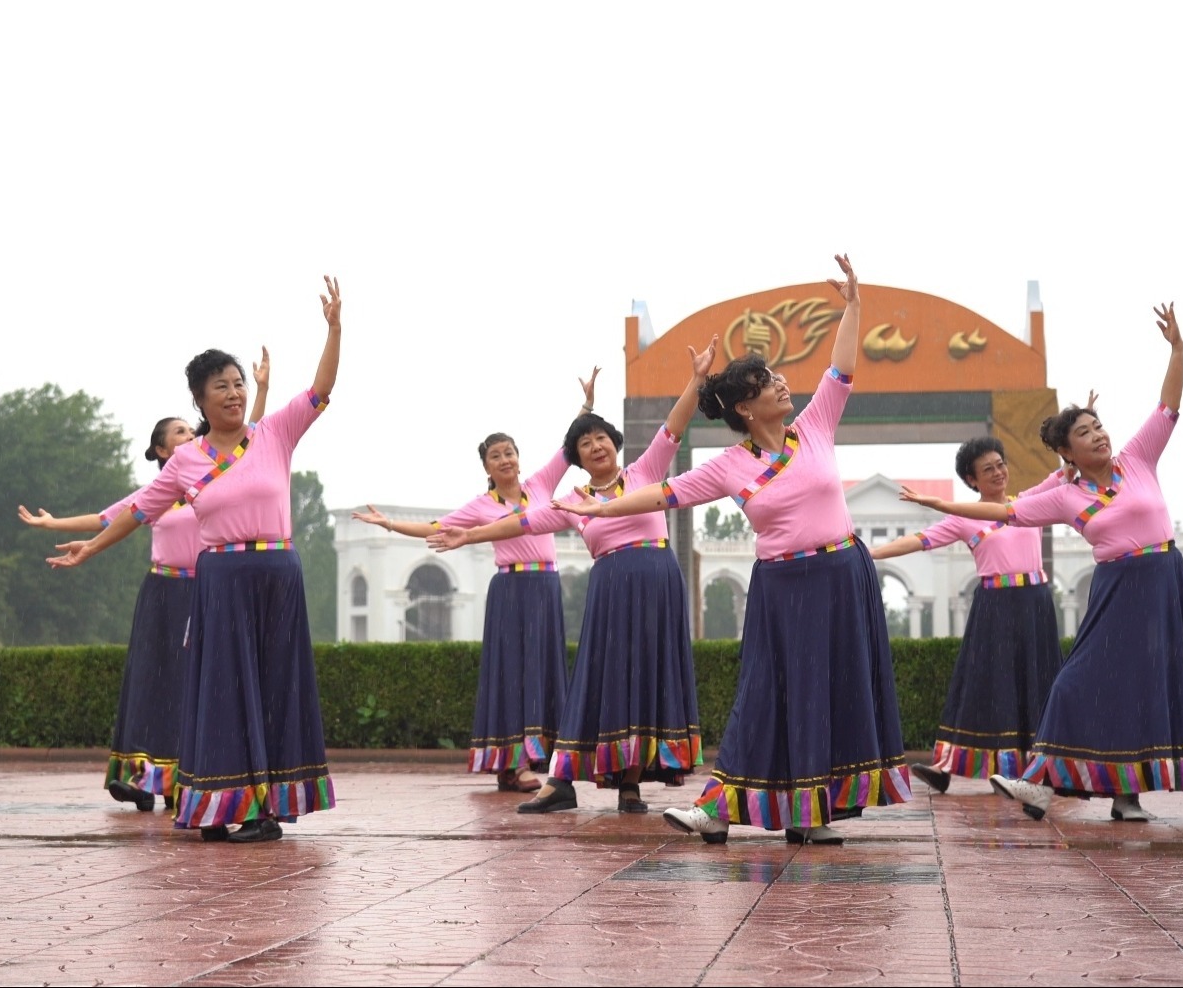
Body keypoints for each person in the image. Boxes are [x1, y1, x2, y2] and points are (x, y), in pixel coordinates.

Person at [557, 255, 910, 847]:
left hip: (844, 574)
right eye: (768, 381)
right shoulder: (729, 466)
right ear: (746, 407)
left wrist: (853, 307)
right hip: (782, 587)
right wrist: (600, 508)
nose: (782, 383)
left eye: (778, 377)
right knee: (770, 692)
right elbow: (664, 493)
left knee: (837, 688)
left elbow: (841, 367)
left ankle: (811, 811)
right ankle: (719, 807)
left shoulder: (816, 426)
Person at [49, 276, 342, 844]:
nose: (233, 394)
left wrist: (333, 330)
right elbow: (137, 512)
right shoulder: (185, 461)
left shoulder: (274, 432)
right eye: (220, 387)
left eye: (237, 384)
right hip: (221, 579)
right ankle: (217, 802)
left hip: (277, 573)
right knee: (221, 690)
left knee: (271, 687)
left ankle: (264, 811)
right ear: (200, 401)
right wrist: (91, 546)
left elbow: (321, 388)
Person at [902, 303, 1183, 823]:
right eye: (1086, 433)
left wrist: (1179, 349)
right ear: (1068, 452)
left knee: (1145, 685)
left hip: (1163, 582)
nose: (1100, 435)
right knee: (1078, 682)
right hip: (1116, 589)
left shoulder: (1137, 459)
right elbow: (1004, 510)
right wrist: (942, 505)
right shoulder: (1065, 496)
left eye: (1099, 426)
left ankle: (1122, 795)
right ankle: (1043, 783)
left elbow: (1167, 406)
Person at [429, 346, 716, 816]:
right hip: (610, 593)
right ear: (578, 458)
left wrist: (697, 379)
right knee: (596, 683)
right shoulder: (573, 500)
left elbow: (674, 427)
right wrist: (471, 535)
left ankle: (630, 785)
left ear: (615, 444)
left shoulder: (644, 471)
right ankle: (561, 781)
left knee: (647, 681)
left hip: (658, 586)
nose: (597, 446)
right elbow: (522, 524)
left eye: (602, 438)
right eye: (587, 444)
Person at [17, 350, 269, 813]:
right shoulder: (158, 492)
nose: (189, 436)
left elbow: (252, 442)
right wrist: (57, 528)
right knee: (155, 684)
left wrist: (262, 392)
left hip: (209, 592)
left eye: (189, 431)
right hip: (163, 593)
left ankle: (188, 776)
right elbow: (110, 517)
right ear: (158, 450)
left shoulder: (218, 478)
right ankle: (141, 775)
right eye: (178, 434)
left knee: (198, 686)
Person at [352, 369, 598, 793]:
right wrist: (389, 524)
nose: (505, 460)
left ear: (519, 458)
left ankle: (536, 759)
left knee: (543, 672)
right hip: (510, 591)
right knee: (512, 675)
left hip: (546, 588)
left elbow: (567, 445)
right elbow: (436, 527)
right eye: (496, 455)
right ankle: (512, 764)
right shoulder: (480, 506)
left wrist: (587, 406)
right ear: (486, 466)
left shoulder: (540, 484)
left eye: (510, 453)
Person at [871, 436, 1063, 792]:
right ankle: (948, 766)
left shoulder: (1028, 502)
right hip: (995, 607)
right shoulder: (963, 519)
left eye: (1000, 464)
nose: (998, 472)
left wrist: (1074, 427)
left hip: (1036, 603)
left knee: (1038, 681)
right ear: (972, 479)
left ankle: (1039, 768)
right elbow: (919, 540)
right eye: (987, 469)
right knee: (984, 686)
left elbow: (1066, 473)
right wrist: (871, 554)